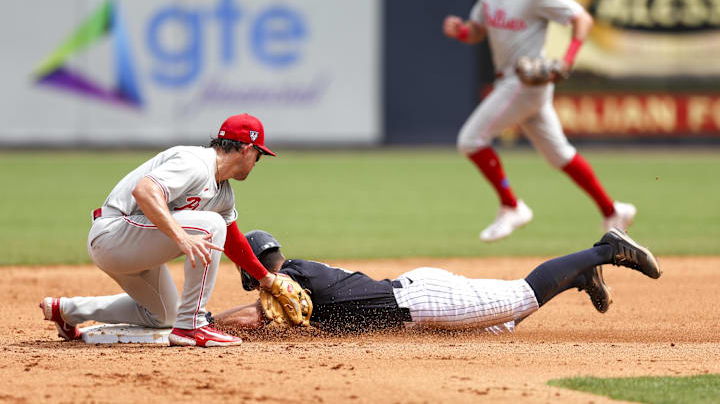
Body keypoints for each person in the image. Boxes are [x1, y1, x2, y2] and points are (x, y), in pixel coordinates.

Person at [39, 113, 292, 347]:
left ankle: (68, 311)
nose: (257, 162)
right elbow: (145, 191)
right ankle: (192, 326)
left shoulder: (223, 192)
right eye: (259, 155)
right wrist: (182, 237)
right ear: (247, 150)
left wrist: (267, 279)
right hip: (113, 234)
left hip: (136, 247)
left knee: (164, 315)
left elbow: (233, 240)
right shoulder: (195, 163)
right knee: (211, 225)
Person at [213, 228, 661, 334]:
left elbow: (258, 315)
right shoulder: (296, 271)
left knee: (521, 295)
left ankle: (606, 250)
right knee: (500, 329)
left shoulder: (290, 278)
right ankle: (579, 277)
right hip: (418, 304)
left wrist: (210, 323)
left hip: (425, 301)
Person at [443, 0, 636, 242]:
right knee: (559, 154)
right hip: (515, 81)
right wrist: (461, 31)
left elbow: (583, 19)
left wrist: (567, 60)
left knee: (470, 140)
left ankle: (511, 207)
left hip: (524, 81)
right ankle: (613, 211)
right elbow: (477, 30)